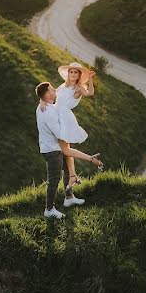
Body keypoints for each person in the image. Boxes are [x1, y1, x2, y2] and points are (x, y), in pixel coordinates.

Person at [35, 81, 102, 219]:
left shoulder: (46, 105)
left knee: (67, 170)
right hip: (51, 150)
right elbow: (61, 135)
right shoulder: (48, 113)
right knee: (53, 179)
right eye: (52, 90)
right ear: (47, 95)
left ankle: (69, 197)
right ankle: (49, 209)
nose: (55, 91)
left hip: (55, 147)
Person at [56, 63, 102, 207]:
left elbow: (90, 93)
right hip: (55, 115)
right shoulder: (62, 86)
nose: (74, 74)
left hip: (64, 118)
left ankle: (90, 159)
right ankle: (72, 178)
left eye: (76, 72)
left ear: (79, 75)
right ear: (68, 73)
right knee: (66, 152)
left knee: (65, 150)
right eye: (72, 71)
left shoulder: (79, 88)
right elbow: (52, 97)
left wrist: (90, 79)